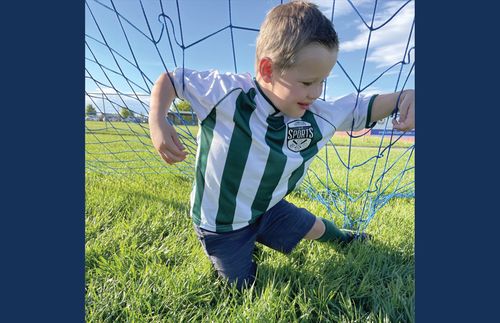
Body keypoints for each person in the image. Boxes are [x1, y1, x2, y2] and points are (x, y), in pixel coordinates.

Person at [149, 1, 414, 290]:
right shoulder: (228, 94)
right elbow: (172, 79)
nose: (315, 93)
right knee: (241, 287)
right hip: (221, 225)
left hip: (269, 208)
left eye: (322, 82)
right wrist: (157, 120)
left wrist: (404, 97)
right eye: (307, 82)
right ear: (267, 70)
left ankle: (346, 238)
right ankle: (240, 257)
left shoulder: (317, 115)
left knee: (315, 226)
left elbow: (362, 106)